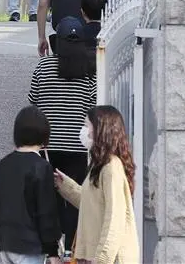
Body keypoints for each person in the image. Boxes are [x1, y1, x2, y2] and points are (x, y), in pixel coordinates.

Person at [28, 16, 97, 258]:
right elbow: (93, 106)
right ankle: (71, 247)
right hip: (77, 147)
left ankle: (51, 249)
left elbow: (33, 103)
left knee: (50, 197)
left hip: (48, 146)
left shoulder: (44, 67)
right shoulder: (89, 73)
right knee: (76, 196)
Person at [54, 106, 139, 263]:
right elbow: (92, 203)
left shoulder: (111, 167)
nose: (83, 131)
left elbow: (114, 218)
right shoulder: (99, 165)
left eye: (87, 126)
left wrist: (102, 258)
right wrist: (65, 185)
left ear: (101, 130)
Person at [0, 106, 61, 264]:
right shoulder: (41, 166)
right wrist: (52, 251)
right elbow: (46, 212)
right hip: (30, 245)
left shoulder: (2, 165)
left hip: (6, 243)